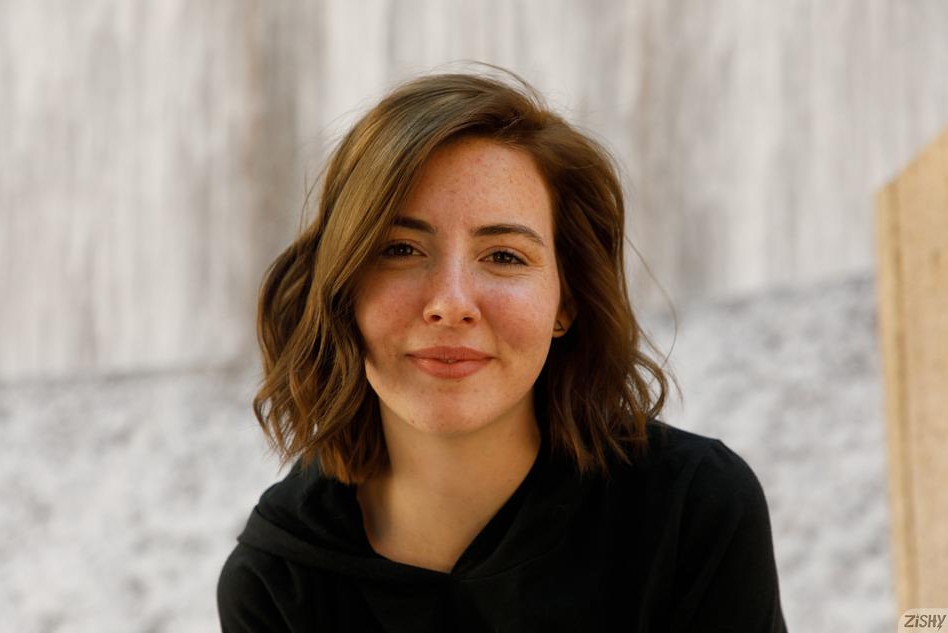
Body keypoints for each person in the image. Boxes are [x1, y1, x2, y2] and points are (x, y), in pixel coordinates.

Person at [217, 66, 788, 632]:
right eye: (400, 249)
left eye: (504, 257)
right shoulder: (274, 584)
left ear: (567, 301)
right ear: (342, 287)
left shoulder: (692, 512)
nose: (450, 303)